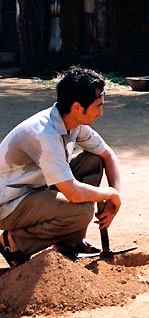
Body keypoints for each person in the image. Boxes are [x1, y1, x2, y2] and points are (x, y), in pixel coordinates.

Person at [0, 66, 122, 267]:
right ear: (76, 107)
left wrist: (115, 195)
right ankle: (12, 243)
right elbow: (73, 193)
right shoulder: (44, 134)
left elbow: (107, 155)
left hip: (36, 191)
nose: (101, 112)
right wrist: (109, 194)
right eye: (98, 105)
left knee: (93, 160)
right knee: (80, 212)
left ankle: (68, 243)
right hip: (9, 204)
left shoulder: (73, 122)